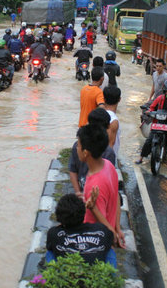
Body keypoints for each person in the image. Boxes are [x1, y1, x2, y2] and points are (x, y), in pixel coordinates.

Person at [78, 123, 125, 252]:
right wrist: (117, 228)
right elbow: (116, 199)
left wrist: (113, 234)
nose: (77, 148)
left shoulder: (93, 186)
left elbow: (101, 223)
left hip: (95, 242)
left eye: (78, 145)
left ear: (86, 152)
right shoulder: (109, 165)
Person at [45, 193, 115, 266]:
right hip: (95, 275)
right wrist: (93, 207)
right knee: (109, 249)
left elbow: (50, 246)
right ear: (83, 212)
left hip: (67, 274)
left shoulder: (54, 233)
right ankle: (111, 275)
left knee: (50, 251)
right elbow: (113, 238)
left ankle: (51, 274)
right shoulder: (101, 229)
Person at [69, 108, 117, 199]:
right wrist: (79, 193)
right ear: (107, 127)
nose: (78, 148)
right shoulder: (108, 152)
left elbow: (73, 169)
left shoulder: (79, 145)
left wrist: (78, 192)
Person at [103, 86, 121, 159]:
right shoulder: (113, 121)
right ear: (119, 99)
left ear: (104, 99)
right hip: (108, 161)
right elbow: (110, 146)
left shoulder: (98, 114)